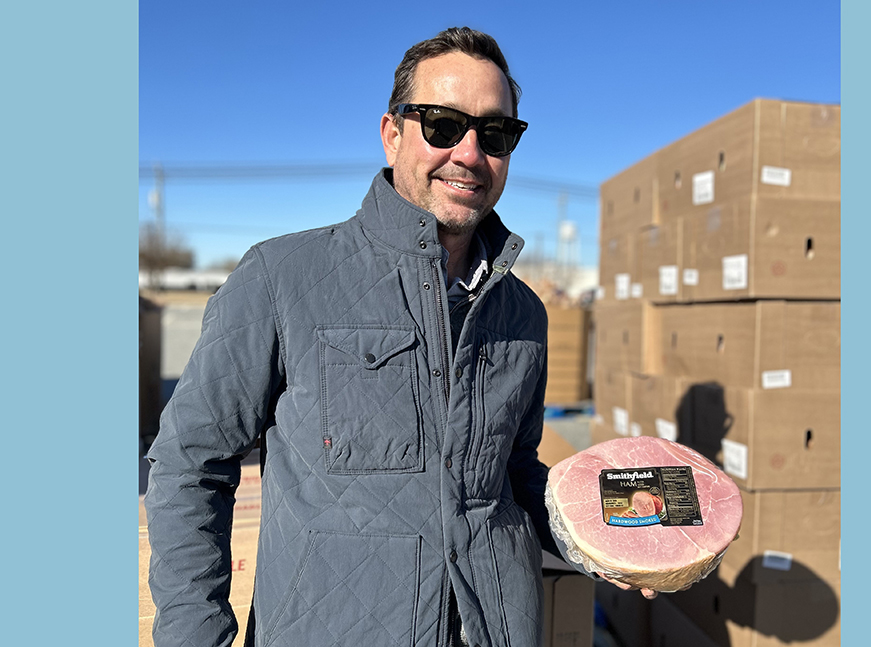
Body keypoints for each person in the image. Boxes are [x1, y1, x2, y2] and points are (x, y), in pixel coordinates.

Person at [146, 26, 653, 647]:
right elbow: (190, 463)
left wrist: (610, 538)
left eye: (495, 134)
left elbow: (512, 476)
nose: (469, 153)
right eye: (442, 124)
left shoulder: (523, 314)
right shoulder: (284, 277)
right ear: (393, 134)